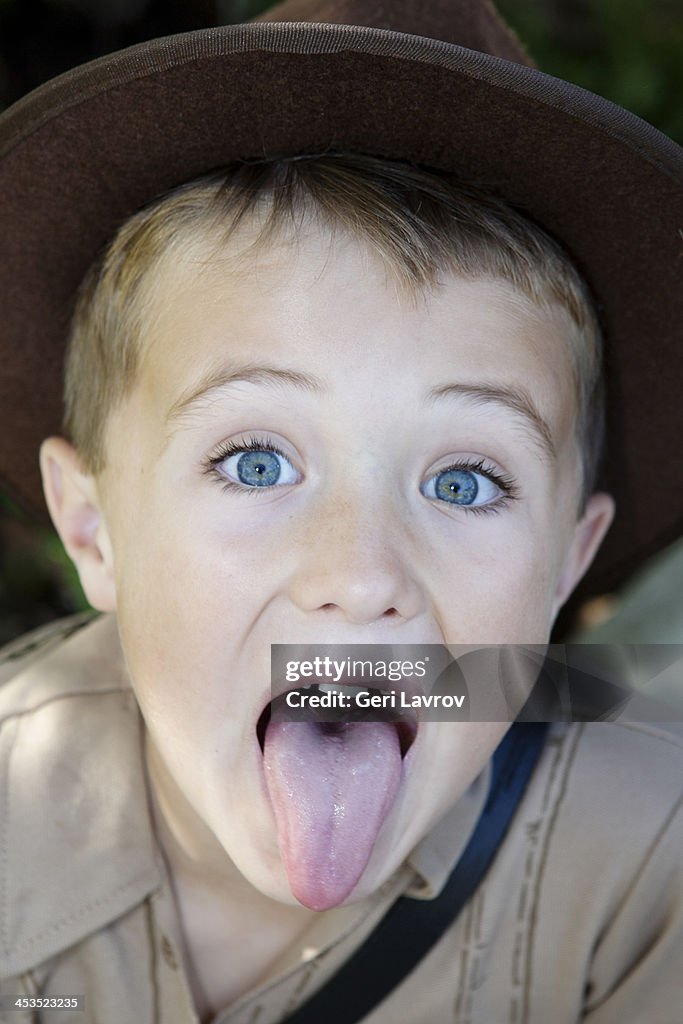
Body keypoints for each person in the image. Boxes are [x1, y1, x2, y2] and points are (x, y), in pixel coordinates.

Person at [0, 1, 681, 1021]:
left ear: (562, 566)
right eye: (256, 461)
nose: (361, 578)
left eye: (463, 483)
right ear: (93, 528)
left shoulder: (646, 867)